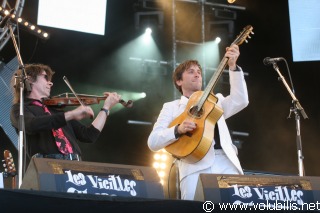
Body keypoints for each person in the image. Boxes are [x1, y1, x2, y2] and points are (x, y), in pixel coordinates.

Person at [148, 44, 249, 200]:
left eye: (199, 72)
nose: (197, 75)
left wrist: (233, 67)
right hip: (194, 168)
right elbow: (153, 142)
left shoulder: (216, 102)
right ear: (178, 81)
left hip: (226, 163)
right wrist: (177, 130)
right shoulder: (171, 107)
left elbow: (240, 100)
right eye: (191, 72)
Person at [10, 63, 121, 166]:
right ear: (29, 80)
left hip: (75, 165)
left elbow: (89, 135)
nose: (50, 82)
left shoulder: (55, 111)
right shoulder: (19, 109)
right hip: (47, 165)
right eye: (45, 77)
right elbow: (31, 125)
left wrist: (106, 108)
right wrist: (71, 114)